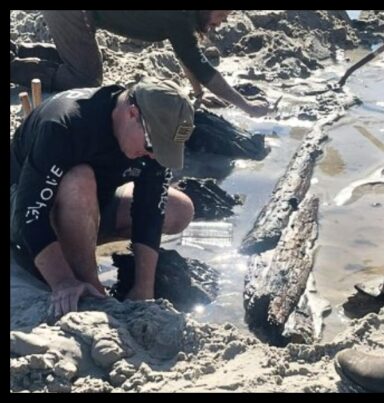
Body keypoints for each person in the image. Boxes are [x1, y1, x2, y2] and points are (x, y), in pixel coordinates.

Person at [10, 79, 196, 318]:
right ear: (132, 113)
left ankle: (77, 245)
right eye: (152, 145)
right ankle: (91, 285)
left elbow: (150, 210)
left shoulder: (149, 144)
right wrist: (63, 281)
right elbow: (30, 213)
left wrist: (143, 288)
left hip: (89, 204)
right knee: (79, 179)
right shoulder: (64, 123)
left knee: (179, 209)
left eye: (163, 149)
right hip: (23, 209)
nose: (153, 155)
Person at [10, 11, 270, 118]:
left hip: (82, 15)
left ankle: (19, 51)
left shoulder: (186, 19)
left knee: (83, 63)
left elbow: (187, 55)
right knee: (86, 78)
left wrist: (199, 94)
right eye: (221, 15)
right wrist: (247, 106)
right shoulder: (180, 16)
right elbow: (201, 66)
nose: (222, 22)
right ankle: (15, 67)